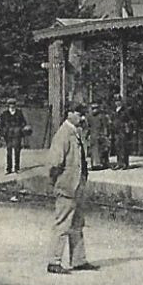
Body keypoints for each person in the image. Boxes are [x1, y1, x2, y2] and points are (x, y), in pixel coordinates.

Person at [47, 99, 96, 274]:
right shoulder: (63, 134)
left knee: (77, 223)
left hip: (77, 185)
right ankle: (54, 261)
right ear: (69, 113)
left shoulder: (76, 133)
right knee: (62, 224)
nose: (81, 117)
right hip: (67, 185)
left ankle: (78, 260)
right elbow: (54, 162)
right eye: (78, 113)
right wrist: (58, 182)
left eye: (82, 114)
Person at [0, 98, 31, 174]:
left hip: (17, 134)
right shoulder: (5, 114)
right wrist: (2, 133)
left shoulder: (19, 113)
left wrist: (24, 128)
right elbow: (2, 125)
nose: (12, 106)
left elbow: (23, 122)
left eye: (13, 104)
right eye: (10, 104)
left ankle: (17, 168)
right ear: (8, 105)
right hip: (8, 134)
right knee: (9, 151)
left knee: (17, 150)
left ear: (15, 105)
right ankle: (9, 168)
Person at [109, 93, 135, 170]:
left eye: (118, 101)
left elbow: (130, 120)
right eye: (116, 101)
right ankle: (119, 163)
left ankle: (125, 163)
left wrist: (127, 127)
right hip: (116, 131)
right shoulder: (114, 111)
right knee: (117, 147)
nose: (117, 103)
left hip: (123, 130)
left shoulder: (125, 110)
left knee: (124, 147)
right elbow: (113, 120)